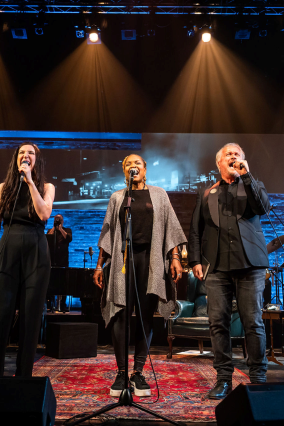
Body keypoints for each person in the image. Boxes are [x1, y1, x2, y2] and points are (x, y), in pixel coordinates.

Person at [94, 154, 186, 397]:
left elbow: (171, 228)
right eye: (127, 164)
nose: (132, 167)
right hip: (123, 260)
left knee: (145, 313)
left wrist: (175, 258)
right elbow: (108, 233)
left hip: (151, 258)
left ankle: (138, 372)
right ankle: (122, 372)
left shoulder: (159, 194)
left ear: (145, 169)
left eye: (137, 163)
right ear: (124, 171)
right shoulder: (118, 197)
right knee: (121, 313)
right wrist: (99, 265)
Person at [188, 143, 271, 399]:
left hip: (250, 265)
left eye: (238, 154)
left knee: (253, 322)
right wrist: (195, 261)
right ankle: (223, 378)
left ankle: (258, 377)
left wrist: (247, 176)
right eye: (229, 155)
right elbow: (195, 230)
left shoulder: (253, 186)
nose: (233, 157)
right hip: (218, 268)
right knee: (218, 324)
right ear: (219, 163)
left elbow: (263, 208)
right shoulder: (207, 194)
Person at [0, 142, 55, 377]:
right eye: (22, 153)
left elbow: (44, 214)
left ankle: (23, 376)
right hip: (8, 247)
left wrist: (30, 182)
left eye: (31, 153)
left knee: (30, 316)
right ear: (16, 159)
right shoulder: (3, 188)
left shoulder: (46, 186)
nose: (26, 156)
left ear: (37, 160)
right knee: (1, 314)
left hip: (36, 250)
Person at [47, 214, 73, 311]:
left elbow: (68, 238)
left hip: (63, 261)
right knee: (51, 282)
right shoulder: (51, 231)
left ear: (62, 221)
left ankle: (62, 304)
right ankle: (50, 304)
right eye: (56, 219)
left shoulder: (67, 230)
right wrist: (54, 227)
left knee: (63, 283)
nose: (58, 221)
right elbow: (47, 239)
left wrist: (60, 228)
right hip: (52, 261)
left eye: (59, 219)